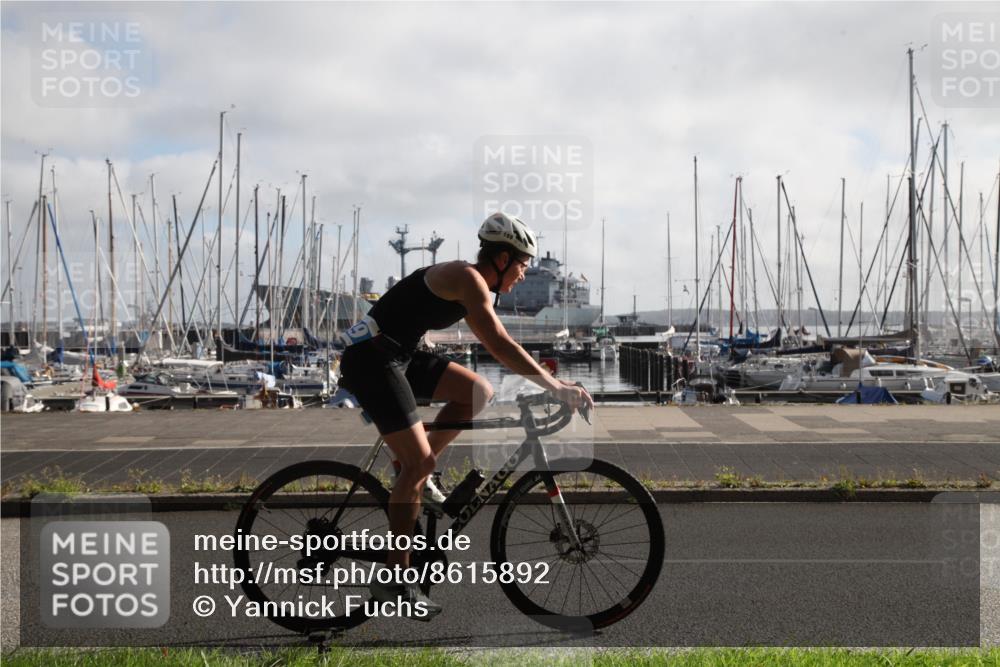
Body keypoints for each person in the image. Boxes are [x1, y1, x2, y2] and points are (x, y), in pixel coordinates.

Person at [337, 212, 593, 620]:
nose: (523, 275)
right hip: (372, 359)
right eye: (523, 266)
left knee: (478, 391)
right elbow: (498, 343)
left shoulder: (472, 282)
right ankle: (397, 577)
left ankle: (411, 468)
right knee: (422, 463)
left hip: (399, 354)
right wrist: (556, 387)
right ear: (503, 259)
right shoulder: (469, 279)